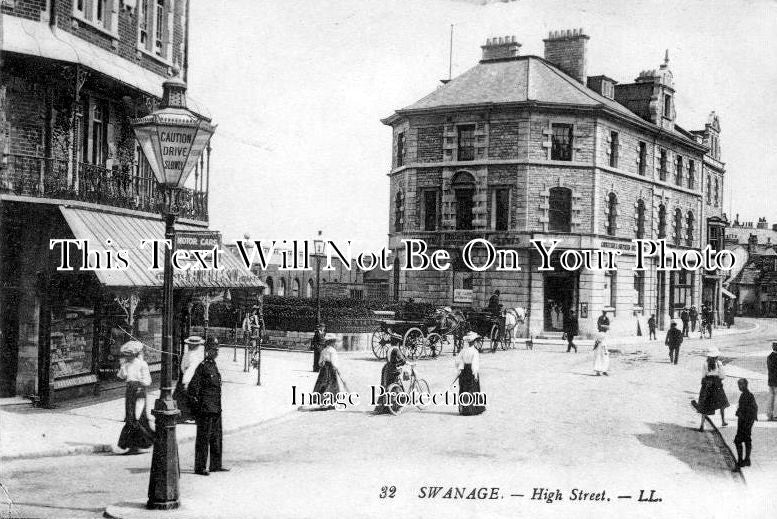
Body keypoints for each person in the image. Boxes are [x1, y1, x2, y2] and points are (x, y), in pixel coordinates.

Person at [188, 339, 229, 475]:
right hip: (205, 409)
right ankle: (200, 467)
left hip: (216, 408)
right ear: (207, 351)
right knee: (203, 439)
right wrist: (198, 408)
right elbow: (192, 388)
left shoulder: (213, 365)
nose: (216, 352)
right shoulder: (202, 366)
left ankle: (216, 465)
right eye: (213, 349)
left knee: (216, 438)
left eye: (217, 349)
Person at [116, 341, 154, 454]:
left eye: (129, 354)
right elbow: (121, 376)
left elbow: (148, 381)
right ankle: (135, 445)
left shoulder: (142, 364)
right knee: (130, 417)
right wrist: (122, 366)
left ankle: (145, 441)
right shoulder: (126, 365)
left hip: (139, 391)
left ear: (134, 354)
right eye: (126, 354)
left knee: (136, 418)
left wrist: (139, 383)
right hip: (129, 391)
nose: (127, 356)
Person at [697, 347, 729, 431]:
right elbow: (722, 376)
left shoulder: (705, 364)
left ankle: (701, 425)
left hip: (707, 384)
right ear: (716, 356)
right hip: (716, 384)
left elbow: (703, 375)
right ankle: (723, 421)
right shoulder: (719, 363)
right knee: (722, 403)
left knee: (705, 404)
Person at [175, 335, 205, 422]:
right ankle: (188, 416)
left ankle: (185, 415)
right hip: (189, 378)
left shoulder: (190, 355)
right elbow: (189, 369)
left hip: (187, 378)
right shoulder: (194, 355)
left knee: (184, 398)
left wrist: (185, 381)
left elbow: (186, 368)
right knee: (189, 398)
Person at [455, 337, 485, 415]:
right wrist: (475, 375)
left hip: (464, 371)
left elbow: (458, 361)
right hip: (471, 371)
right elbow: (475, 364)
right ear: (474, 342)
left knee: (464, 389)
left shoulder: (463, 351)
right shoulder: (475, 352)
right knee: (472, 389)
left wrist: (460, 370)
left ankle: (464, 409)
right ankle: (472, 409)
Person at [733, 378, 758, 470]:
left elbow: (747, 409)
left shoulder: (745, 395)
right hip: (748, 421)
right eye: (739, 385)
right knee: (747, 439)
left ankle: (740, 461)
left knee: (738, 441)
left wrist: (740, 413)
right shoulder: (748, 395)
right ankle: (747, 459)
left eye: (741, 385)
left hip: (745, 422)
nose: (739, 387)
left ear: (745, 385)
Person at [374, 346, 406, 414]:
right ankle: (397, 406)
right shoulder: (396, 350)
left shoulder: (389, 349)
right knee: (398, 387)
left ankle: (382, 408)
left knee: (384, 387)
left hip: (386, 369)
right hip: (393, 370)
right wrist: (405, 362)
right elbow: (402, 361)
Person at [313, 338, 341, 410]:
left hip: (324, 370)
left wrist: (323, 365)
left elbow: (320, 362)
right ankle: (331, 402)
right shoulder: (332, 351)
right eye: (334, 342)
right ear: (331, 343)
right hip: (331, 369)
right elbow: (333, 361)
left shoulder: (323, 350)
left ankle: (321, 400)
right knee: (332, 384)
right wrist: (337, 369)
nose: (335, 344)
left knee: (322, 383)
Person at [767, 342, 777, 421]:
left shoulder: (769, 356)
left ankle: (769, 415)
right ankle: (776, 415)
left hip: (771, 380)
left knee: (771, 397)